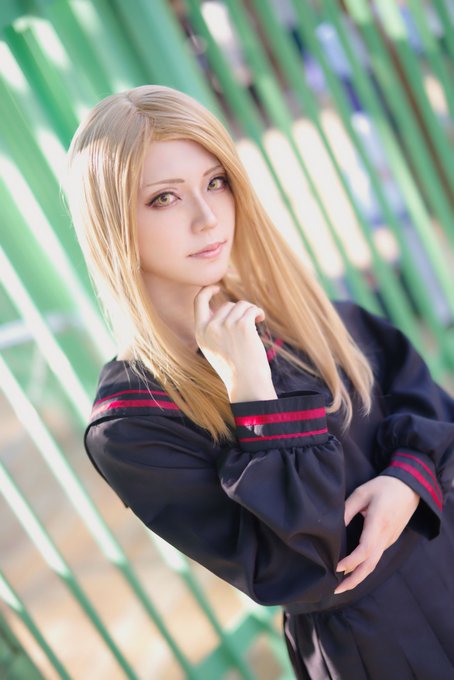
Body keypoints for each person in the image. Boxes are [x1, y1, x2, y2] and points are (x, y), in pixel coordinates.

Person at [65, 84, 454, 679]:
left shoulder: (294, 311)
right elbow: (308, 561)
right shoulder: (131, 425)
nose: (207, 217)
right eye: (165, 198)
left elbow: (428, 408)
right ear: (112, 223)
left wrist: (408, 479)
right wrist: (251, 390)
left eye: (216, 181)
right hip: (379, 647)